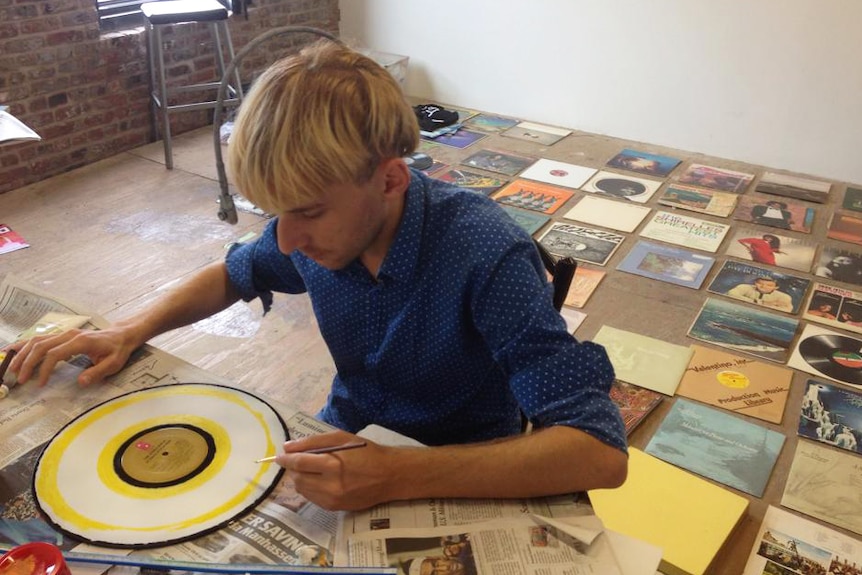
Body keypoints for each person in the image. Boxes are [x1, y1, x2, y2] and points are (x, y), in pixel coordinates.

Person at [5, 41, 627, 511]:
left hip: (460, 464)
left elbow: (597, 450)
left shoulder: (486, 254)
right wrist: (128, 328)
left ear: (389, 178)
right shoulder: (315, 228)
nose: (288, 239)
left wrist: (397, 475)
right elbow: (234, 271)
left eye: (306, 212)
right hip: (347, 433)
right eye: (275, 213)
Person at [726, 276, 794, 312]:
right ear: (755, 283)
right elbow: (731, 294)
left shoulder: (784, 297)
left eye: (769, 285)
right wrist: (761, 302)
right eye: (760, 283)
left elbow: (786, 310)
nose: (763, 287)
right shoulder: (744, 287)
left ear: (776, 287)